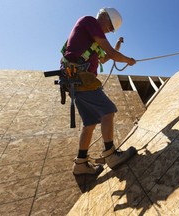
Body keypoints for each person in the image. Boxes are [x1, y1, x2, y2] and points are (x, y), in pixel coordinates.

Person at [61, 7, 137, 175]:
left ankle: (80, 164)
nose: (108, 32)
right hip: (81, 79)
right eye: (110, 28)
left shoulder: (92, 39)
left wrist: (116, 47)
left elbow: (104, 57)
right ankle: (111, 154)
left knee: (89, 124)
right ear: (104, 18)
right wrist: (128, 60)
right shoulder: (89, 21)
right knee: (108, 111)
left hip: (75, 82)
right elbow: (111, 53)